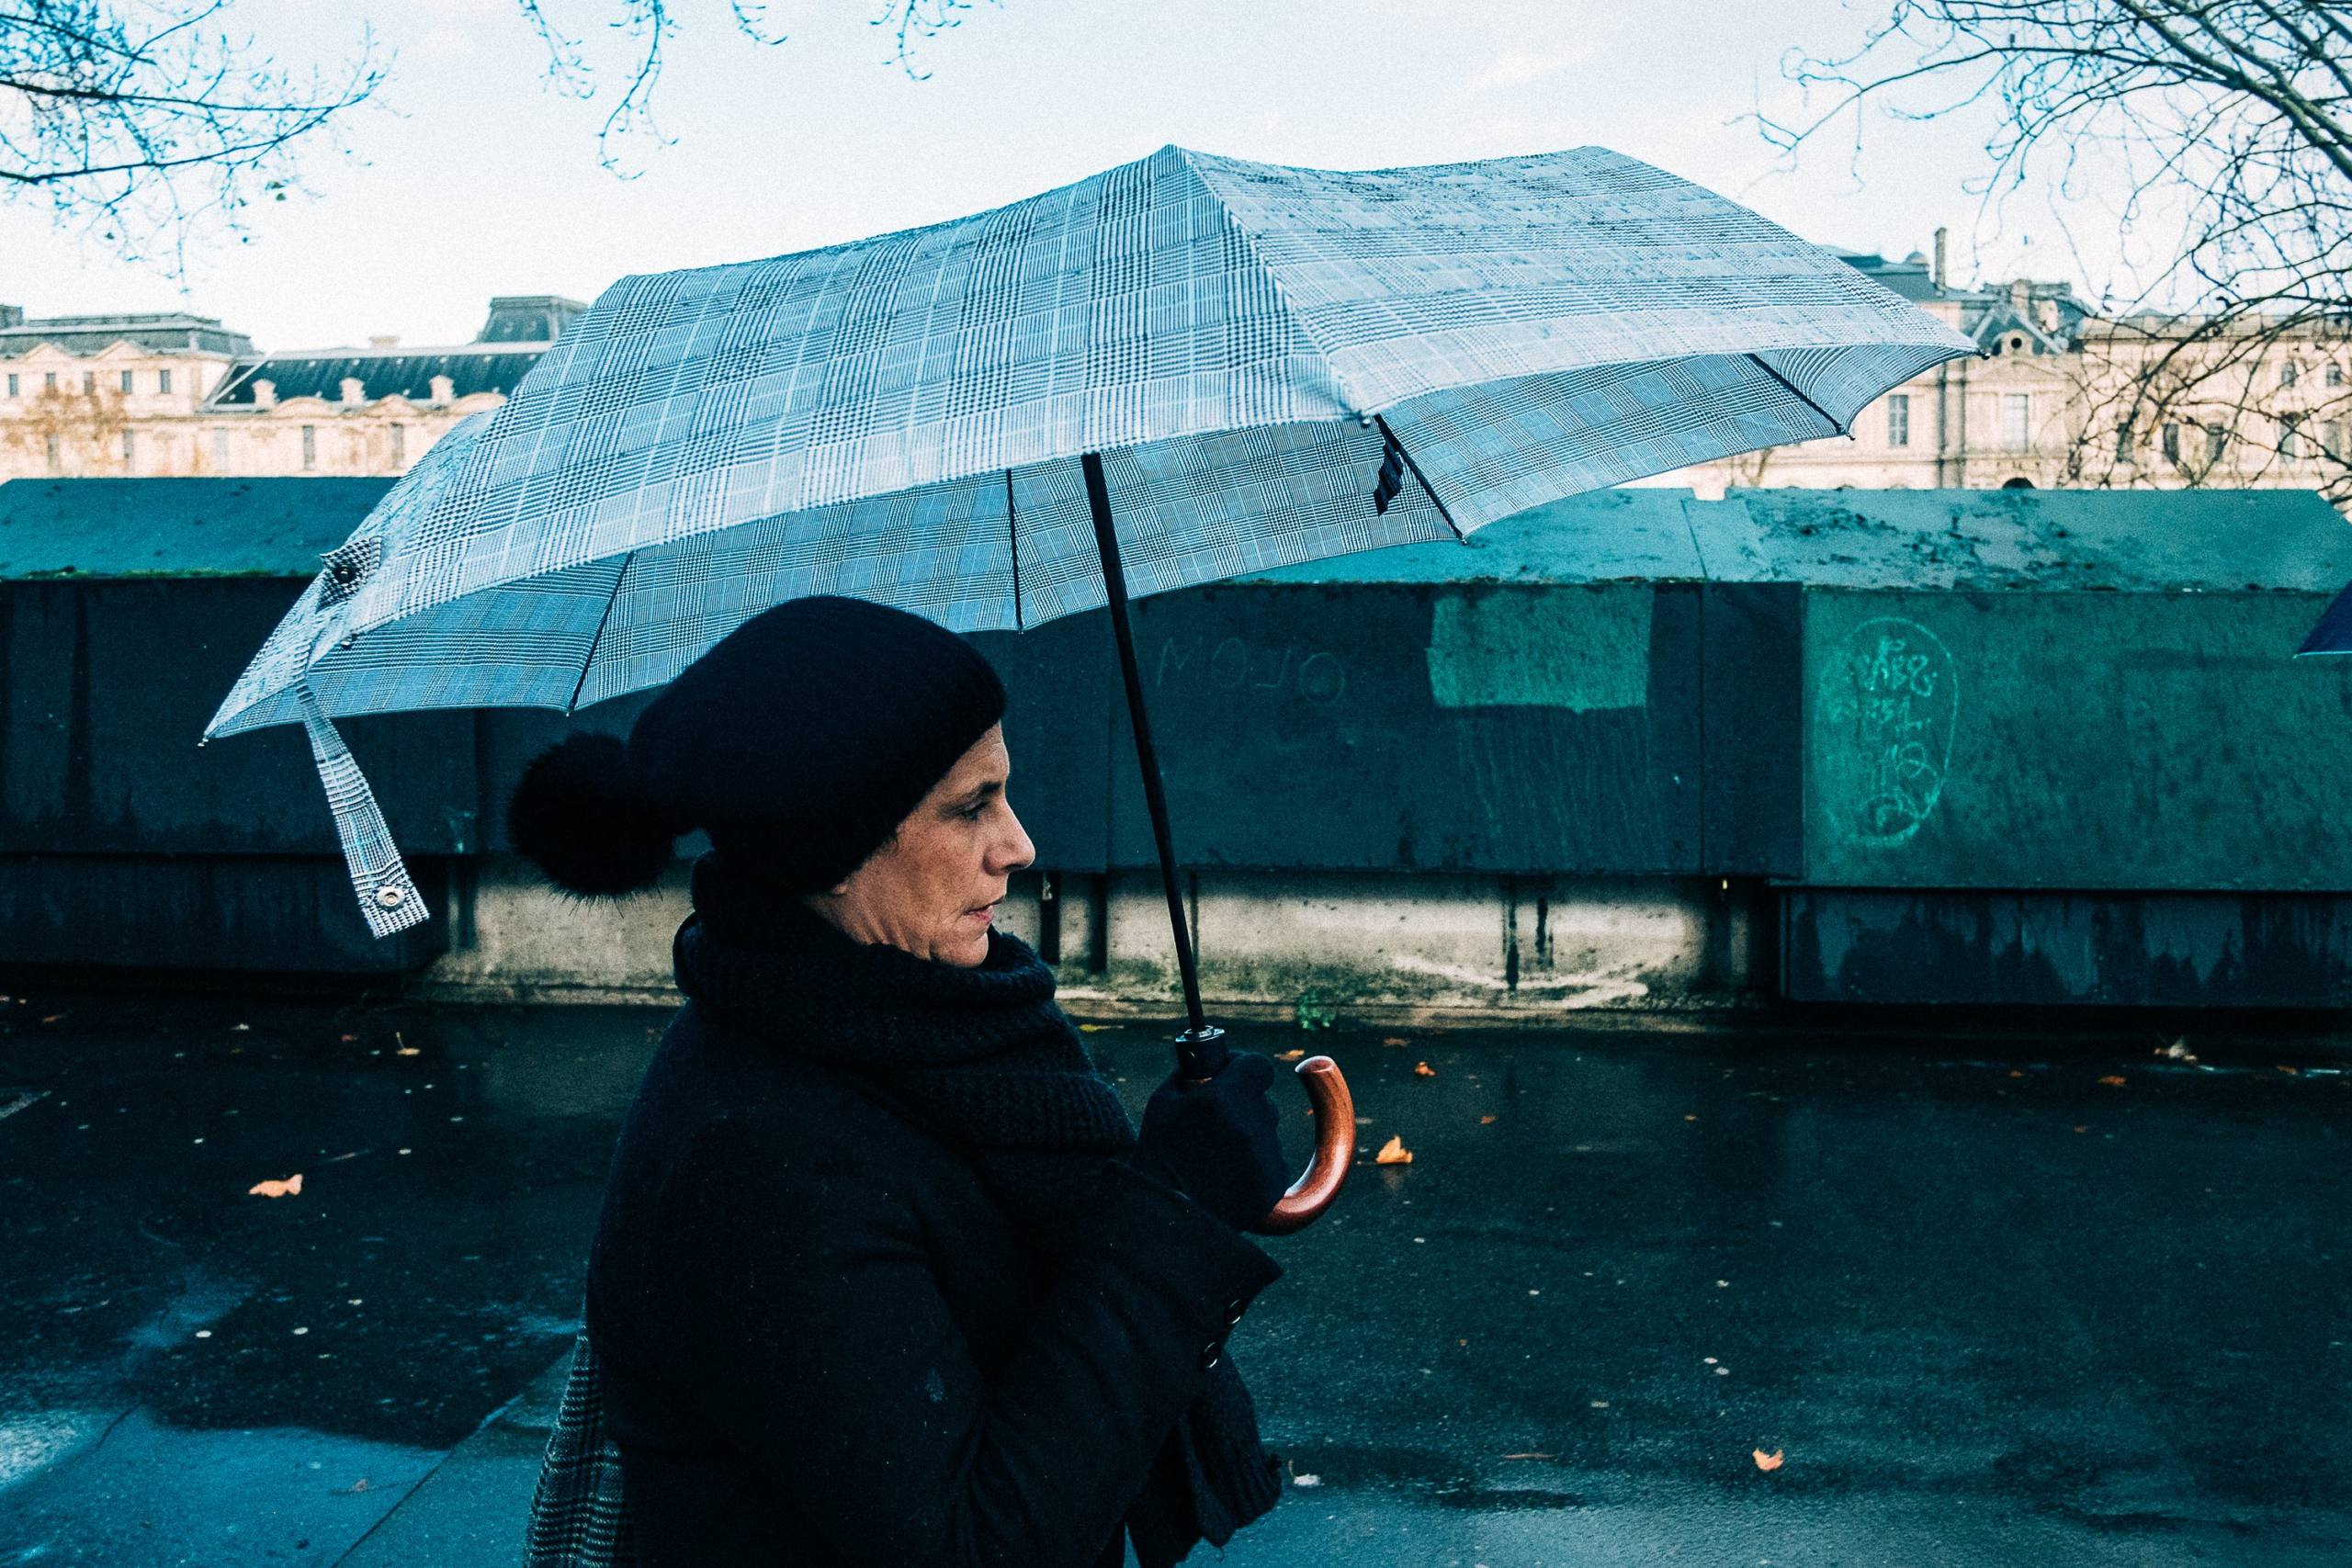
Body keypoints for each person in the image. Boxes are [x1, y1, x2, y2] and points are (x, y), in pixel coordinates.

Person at [507, 595, 1296, 1568]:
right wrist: (1173, 1212)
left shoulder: (933, 1032)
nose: (1017, 845)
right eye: (970, 807)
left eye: (1002, 795)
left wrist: (1175, 1195)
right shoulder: (763, 1157)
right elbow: (972, 1543)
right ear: (831, 847)